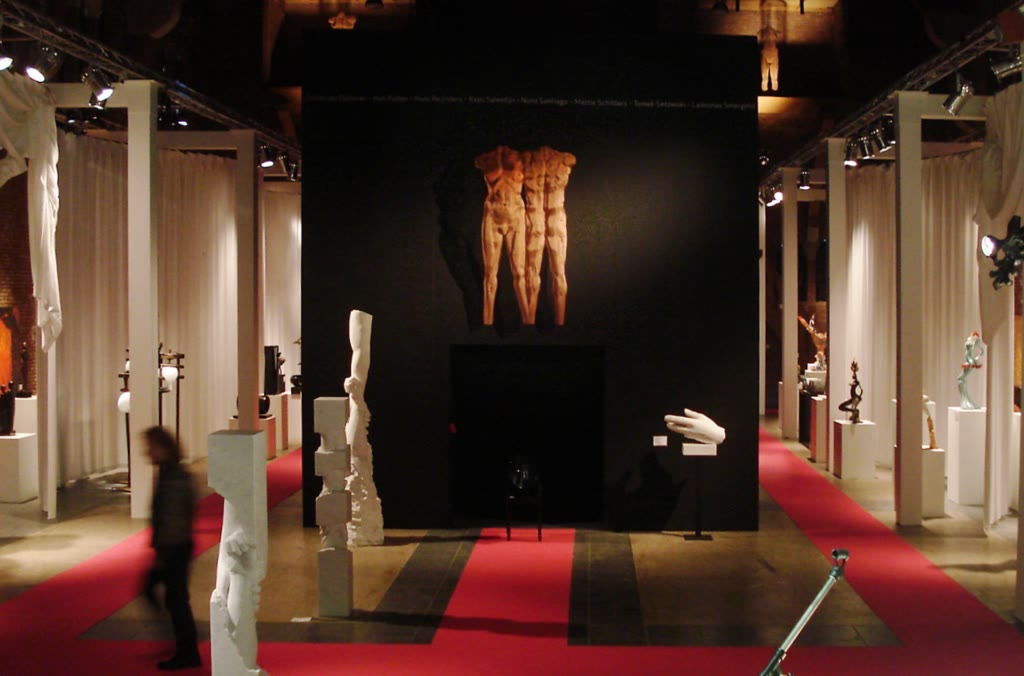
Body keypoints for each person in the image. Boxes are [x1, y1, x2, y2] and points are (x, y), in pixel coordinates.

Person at [142, 426, 200, 670]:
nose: (147, 452)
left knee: (176, 600)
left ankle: (187, 651)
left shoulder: (173, 478)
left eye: (151, 447)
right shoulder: (170, 474)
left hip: (174, 549)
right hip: (174, 547)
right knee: (174, 599)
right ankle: (183, 644)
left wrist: (163, 553)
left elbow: (174, 518)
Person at [475, 146, 529, 325]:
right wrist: (496, 156)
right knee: (490, 272)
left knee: (520, 272)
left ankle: (528, 319)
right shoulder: (487, 158)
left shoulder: (521, 158)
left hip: (515, 216)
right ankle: (487, 320)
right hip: (493, 215)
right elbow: (477, 163)